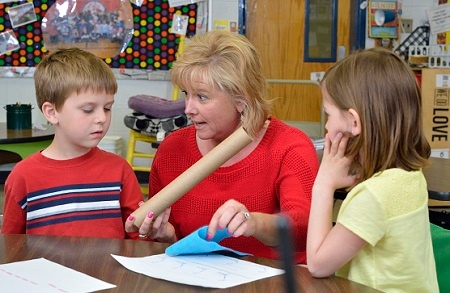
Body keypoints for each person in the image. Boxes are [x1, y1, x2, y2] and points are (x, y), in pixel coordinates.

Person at [125, 30, 319, 263]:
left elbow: (303, 231)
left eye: (202, 97)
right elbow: (169, 242)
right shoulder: (171, 150)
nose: (188, 108)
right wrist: (166, 237)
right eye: (187, 94)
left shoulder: (290, 146)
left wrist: (254, 222)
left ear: (241, 99)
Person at [306, 47, 439, 292]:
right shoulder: (410, 176)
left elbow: (317, 264)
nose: (327, 126)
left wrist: (323, 184)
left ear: (354, 122)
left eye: (329, 114)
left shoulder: (372, 197)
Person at [2, 48, 144, 239]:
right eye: (88, 109)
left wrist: (153, 231)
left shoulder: (120, 170)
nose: (102, 118)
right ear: (52, 112)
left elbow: (139, 240)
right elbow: (10, 247)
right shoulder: (23, 177)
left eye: (107, 108)